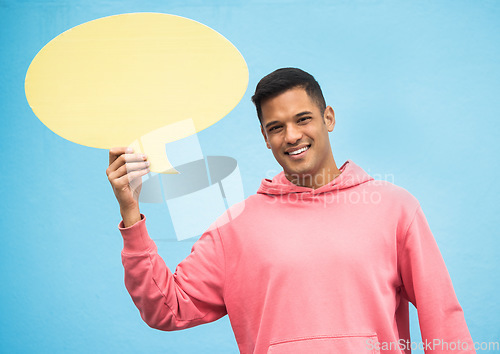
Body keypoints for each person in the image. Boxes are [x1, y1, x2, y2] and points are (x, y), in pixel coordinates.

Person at [106, 68, 475, 353]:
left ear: (328, 118)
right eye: (276, 127)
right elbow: (167, 308)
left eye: (303, 119)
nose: (292, 136)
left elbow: (442, 319)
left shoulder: (394, 208)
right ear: (265, 139)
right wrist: (131, 213)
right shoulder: (236, 227)